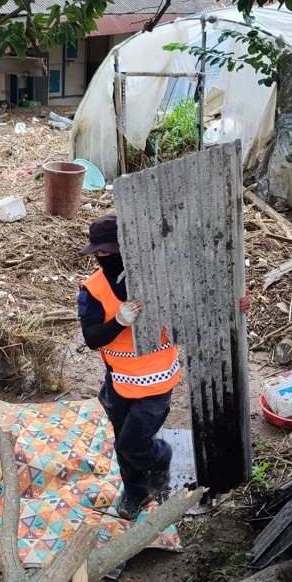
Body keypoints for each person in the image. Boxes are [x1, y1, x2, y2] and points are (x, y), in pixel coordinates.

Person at [77, 214, 179, 520]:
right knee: (123, 444)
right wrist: (118, 322)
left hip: (156, 383)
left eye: (109, 250)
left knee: (131, 444)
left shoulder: (161, 279)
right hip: (120, 381)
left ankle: (162, 457)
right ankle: (135, 492)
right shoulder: (92, 290)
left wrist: (238, 303)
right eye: (99, 252)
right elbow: (92, 337)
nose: (103, 257)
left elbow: (198, 306)